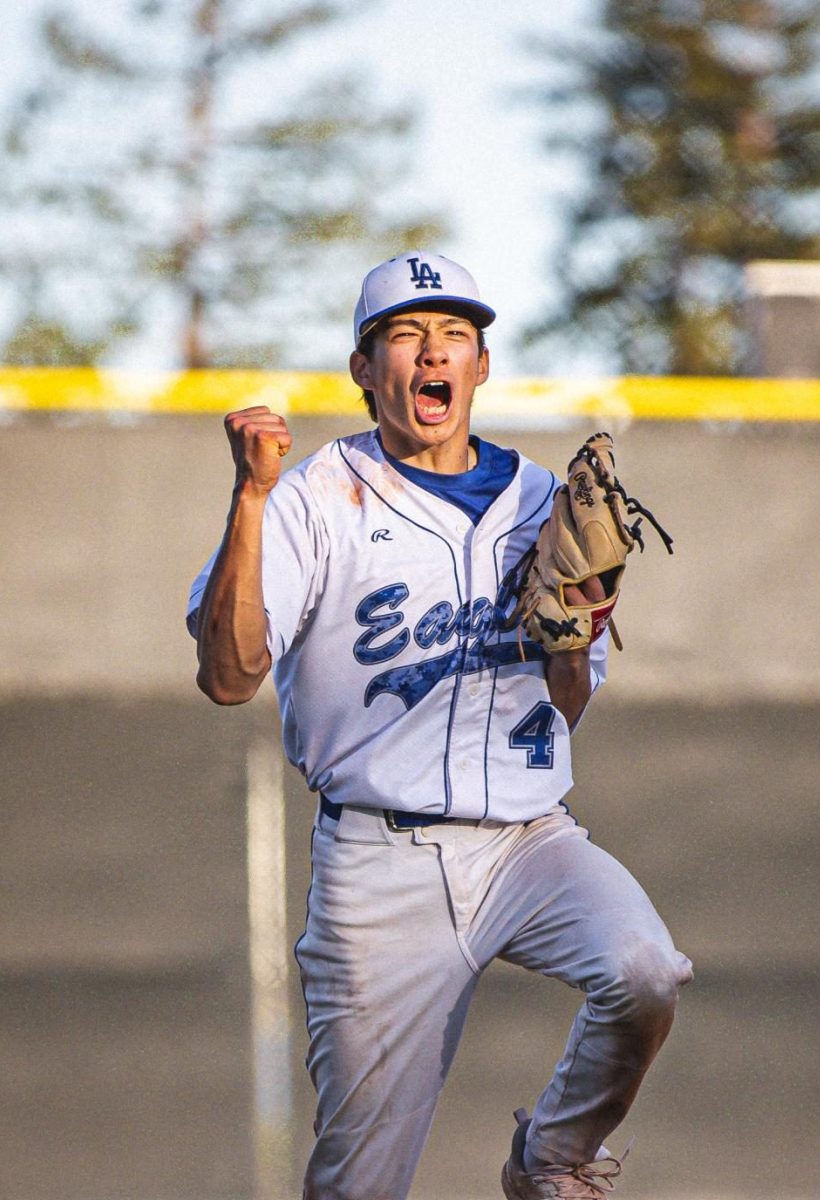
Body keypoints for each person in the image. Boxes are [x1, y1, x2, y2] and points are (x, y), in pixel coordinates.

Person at [187, 251, 692, 1199]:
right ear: (367, 369)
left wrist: (576, 635)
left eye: (455, 335)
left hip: (530, 843)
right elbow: (227, 674)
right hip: (380, 869)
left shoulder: (541, 501)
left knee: (646, 972)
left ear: (481, 366)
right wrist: (250, 497)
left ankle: (551, 1155)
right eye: (407, 336)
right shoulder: (314, 501)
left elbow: (567, 702)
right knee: (358, 1187)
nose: (433, 353)